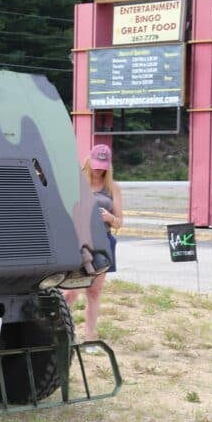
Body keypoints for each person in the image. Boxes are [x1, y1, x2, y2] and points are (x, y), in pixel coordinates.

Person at [65, 143, 123, 350]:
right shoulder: (77, 182)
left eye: (103, 166)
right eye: (96, 164)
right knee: (70, 291)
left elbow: (120, 222)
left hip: (103, 241)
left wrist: (109, 217)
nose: (99, 169)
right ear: (89, 161)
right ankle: (62, 333)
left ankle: (90, 338)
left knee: (95, 292)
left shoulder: (112, 188)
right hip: (80, 240)